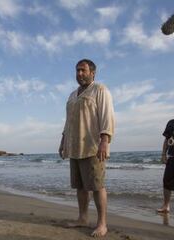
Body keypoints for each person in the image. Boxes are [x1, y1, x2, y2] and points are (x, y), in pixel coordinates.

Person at [59, 59, 115, 237]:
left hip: (92, 146)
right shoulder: (72, 95)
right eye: (77, 70)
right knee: (80, 186)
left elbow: (107, 115)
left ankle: (102, 223)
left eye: (83, 70)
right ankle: (82, 218)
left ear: (93, 73)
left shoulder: (100, 90)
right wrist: (63, 141)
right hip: (74, 147)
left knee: (97, 186)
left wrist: (105, 140)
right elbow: (69, 121)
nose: (79, 74)